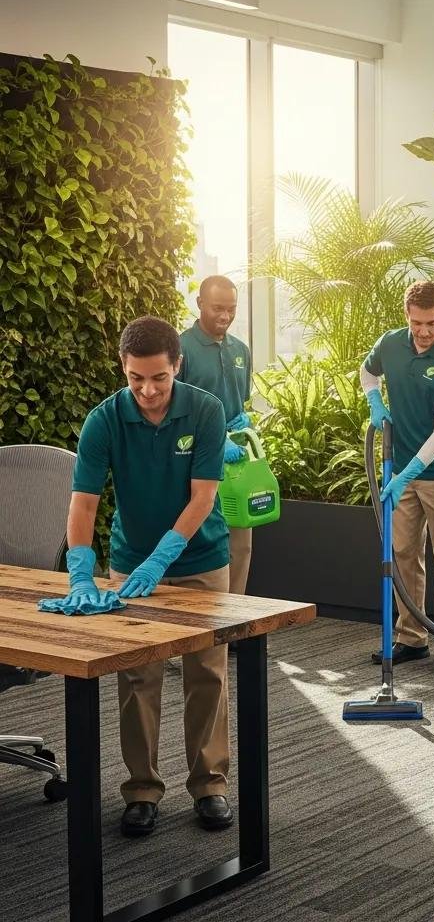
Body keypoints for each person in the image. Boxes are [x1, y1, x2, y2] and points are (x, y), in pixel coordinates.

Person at [44, 316, 233, 837]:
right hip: (129, 561)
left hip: (199, 560)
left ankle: (210, 784)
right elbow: (83, 504)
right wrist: (82, 573)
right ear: (123, 370)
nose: (147, 391)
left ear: (177, 366)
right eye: (135, 379)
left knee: (206, 672)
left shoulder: (206, 410)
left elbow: (203, 498)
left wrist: (163, 558)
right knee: (138, 677)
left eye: (158, 378)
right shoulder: (104, 420)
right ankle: (143, 790)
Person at [362, 280, 434, 673]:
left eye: (431, 323)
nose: (424, 332)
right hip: (401, 468)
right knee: (404, 554)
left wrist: (406, 474)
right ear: (406, 317)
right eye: (416, 323)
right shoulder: (391, 343)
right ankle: (411, 637)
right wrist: (374, 399)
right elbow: (367, 370)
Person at [178, 275, 254, 596]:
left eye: (231, 309)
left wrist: (241, 424)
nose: (225, 316)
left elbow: (241, 398)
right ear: (199, 304)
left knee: (240, 543)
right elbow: (173, 410)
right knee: (200, 541)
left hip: (236, 460)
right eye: (217, 308)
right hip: (194, 460)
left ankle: (233, 621)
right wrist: (213, 438)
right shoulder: (181, 348)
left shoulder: (241, 350)